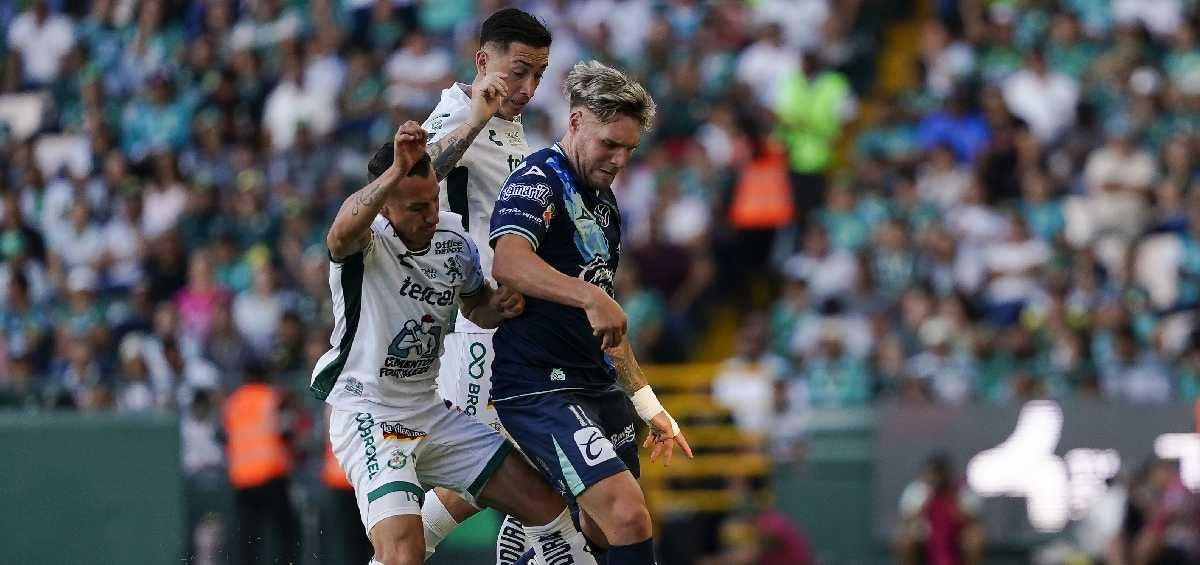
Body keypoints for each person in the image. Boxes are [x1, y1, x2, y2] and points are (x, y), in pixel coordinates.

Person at [310, 121, 595, 565]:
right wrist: (394, 171)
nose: (429, 215)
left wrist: (500, 305)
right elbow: (340, 231)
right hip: (369, 412)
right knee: (403, 552)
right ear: (385, 207)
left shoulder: (454, 241)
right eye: (415, 207)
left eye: (432, 201)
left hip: (429, 410)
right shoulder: (367, 244)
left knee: (546, 506)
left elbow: (476, 307)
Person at [488, 60, 694, 565]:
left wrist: (647, 403)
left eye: (630, 149)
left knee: (600, 536)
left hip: (597, 386)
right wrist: (589, 297)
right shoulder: (537, 178)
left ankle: (539, 547)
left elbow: (608, 320)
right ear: (577, 121)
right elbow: (509, 260)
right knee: (629, 516)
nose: (620, 159)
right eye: (610, 144)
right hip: (540, 385)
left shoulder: (604, 203)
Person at [412, 8, 556, 562]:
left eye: (539, 75)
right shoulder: (457, 111)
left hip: (517, 318)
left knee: (523, 455)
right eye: (519, 71)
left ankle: (526, 536)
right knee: (484, 465)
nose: (529, 88)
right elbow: (409, 178)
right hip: (481, 323)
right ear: (482, 61)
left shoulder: (512, 125)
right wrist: (474, 119)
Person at [223, 360, 301, 565]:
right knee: (286, 534)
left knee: (248, 539)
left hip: (242, 478)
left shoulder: (233, 402)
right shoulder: (273, 397)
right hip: (271, 474)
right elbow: (287, 431)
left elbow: (224, 436)